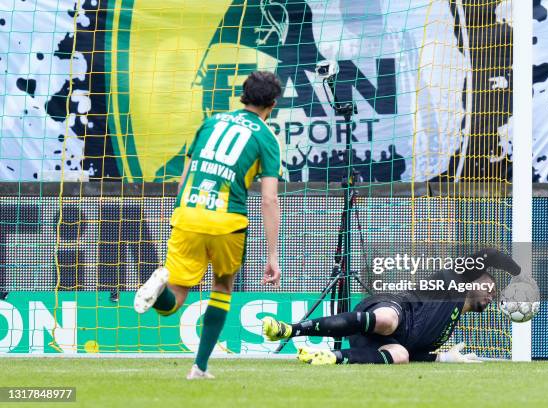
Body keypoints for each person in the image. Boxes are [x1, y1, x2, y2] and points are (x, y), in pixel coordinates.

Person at [134, 71, 283, 379]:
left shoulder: (211, 122)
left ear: (243, 94)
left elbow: (186, 173)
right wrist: (272, 256)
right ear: (273, 103)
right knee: (222, 287)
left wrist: (180, 212)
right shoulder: (267, 138)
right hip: (227, 222)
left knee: (172, 300)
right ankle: (199, 367)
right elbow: (269, 199)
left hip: (188, 214)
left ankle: (157, 285)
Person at [263, 249, 520, 364]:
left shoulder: (447, 328)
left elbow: (415, 352)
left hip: (370, 345)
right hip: (387, 309)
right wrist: (519, 273)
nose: (493, 291)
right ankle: (291, 329)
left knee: (401, 356)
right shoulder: (452, 279)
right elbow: (488, 255)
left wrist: (442, 357)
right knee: (388, 321)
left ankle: (332, 358)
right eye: (490, 284)